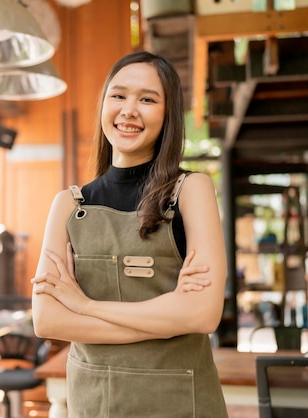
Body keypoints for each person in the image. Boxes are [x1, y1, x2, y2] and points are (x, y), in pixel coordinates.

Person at [31, 50, 228, 417]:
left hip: (181, 404)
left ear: (168, 114)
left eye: (148, 99)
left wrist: (85, 307)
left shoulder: (191, 190)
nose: (129, 110)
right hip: (94, 403)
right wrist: (167, 319)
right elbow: (48, 320)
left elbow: (201, 315)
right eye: (118, 95)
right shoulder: (68, 204)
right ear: (103, 104)